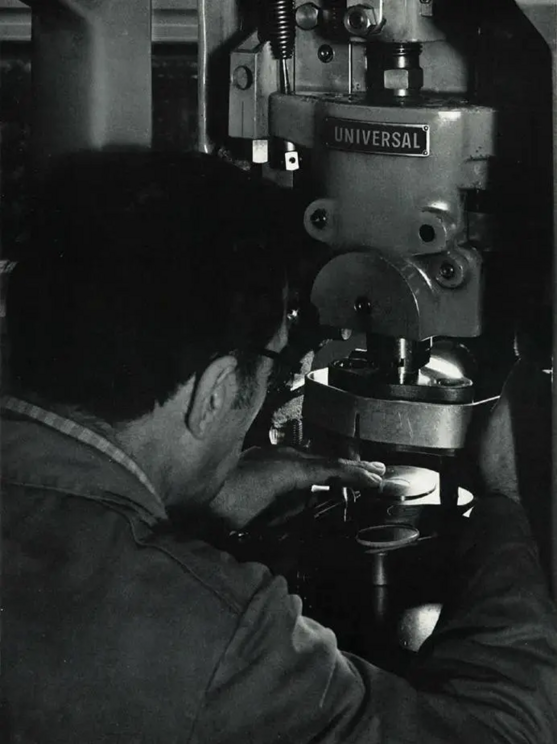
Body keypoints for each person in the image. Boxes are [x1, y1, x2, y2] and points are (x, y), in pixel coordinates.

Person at [2, 150, 556, 744]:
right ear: (215, 394)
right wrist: (507, 503)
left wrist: (183, 500)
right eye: (272, 366)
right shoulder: (212, 633)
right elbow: (499, 734)